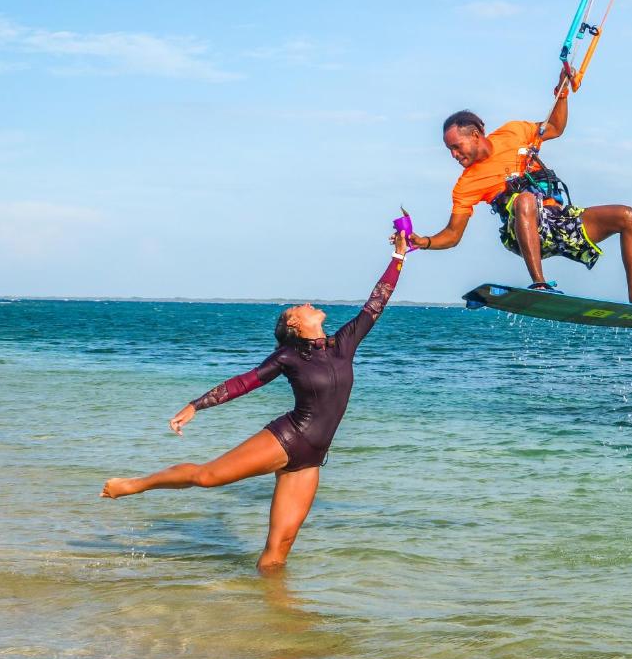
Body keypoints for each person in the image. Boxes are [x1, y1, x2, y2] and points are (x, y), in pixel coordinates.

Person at [100, 232, 408, 573]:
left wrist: (398, 257)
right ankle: (135, 485)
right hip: (289, 437)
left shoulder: (344, 343)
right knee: (206, 477)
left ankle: (276, 614)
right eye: (299, 307)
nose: (307, 304)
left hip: (313, 456)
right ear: (294, 323)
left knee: (281, 547)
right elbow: (246, 382)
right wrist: (196, 405)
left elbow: (376, 302)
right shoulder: (288, 356)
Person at [410, 72, 632, 305]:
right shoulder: (466, 184)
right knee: (524, 199)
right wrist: (425, 242)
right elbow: (453, 235)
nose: (454, 155)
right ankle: (540, 284)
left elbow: (555, 127)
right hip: (521, 233)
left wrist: (562, 94)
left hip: (559, 223)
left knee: (628, 216)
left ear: (476, 135)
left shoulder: (514, 132)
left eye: (457, 146)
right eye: (450, 150)